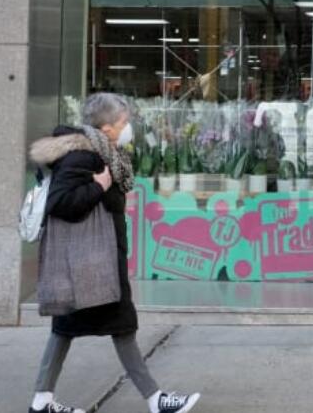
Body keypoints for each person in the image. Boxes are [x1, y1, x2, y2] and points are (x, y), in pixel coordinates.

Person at [27, 93, 199, 413]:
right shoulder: (85, 156)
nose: (127, 128)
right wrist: (99, 187)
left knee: (69, 328)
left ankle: (41, 401)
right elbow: (61, 203)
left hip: (89, 261)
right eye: (123, 123)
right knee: (119, 326)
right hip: (91, 265)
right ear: (106, 129)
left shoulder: (101, 152)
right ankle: (156, 400)